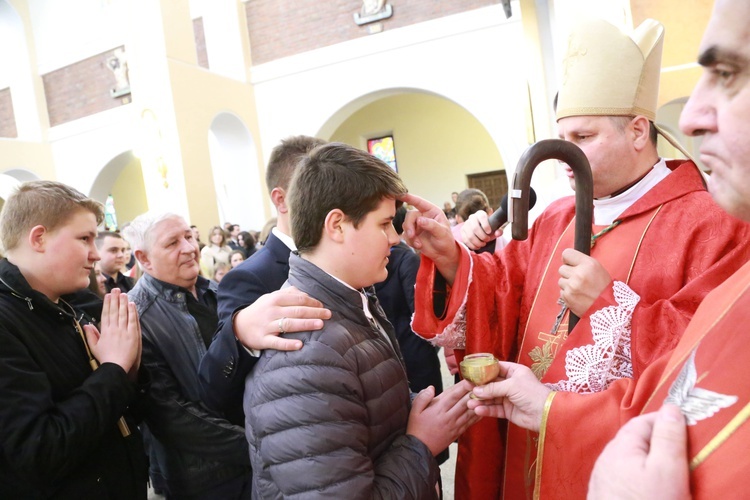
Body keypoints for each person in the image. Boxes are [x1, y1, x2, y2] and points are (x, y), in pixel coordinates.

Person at [401, 17, 750, 499]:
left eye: (583, 139)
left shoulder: (715, 221)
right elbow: (504, 293)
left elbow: (710, 351)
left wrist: (608, 307)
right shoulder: (555, 217)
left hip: (608, 462)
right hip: (524, 439)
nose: (566, 156)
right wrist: (454, 262)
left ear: (637, 129)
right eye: (562, 138)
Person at [244, 142, 477, 498]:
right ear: (337, 225)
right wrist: (421, 443)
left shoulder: (352, 299)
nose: (396, 239)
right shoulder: (307, 352)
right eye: (384, 224)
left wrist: (419, 408)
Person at [0, 180, 147, 499]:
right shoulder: (6, 322)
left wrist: (129, 369)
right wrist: (113, 369)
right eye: (84, 238)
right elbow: (40, 451)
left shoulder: (68, 306)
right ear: (39, 238)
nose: (95, 255)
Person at [198, 135, 327, 425]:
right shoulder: (249, 277)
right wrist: (240, 334)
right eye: (317, 190)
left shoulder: (343, 257)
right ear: (281, 200)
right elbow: (214, 391)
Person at [124, 213, 252, 499]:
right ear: (144, 259)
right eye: (172, 243)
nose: (188, 247)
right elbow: (169, 414)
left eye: (188, 236)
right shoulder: (136, 316)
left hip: (255, 460)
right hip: (203, 478)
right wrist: (253, 445)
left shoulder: (217, 292)